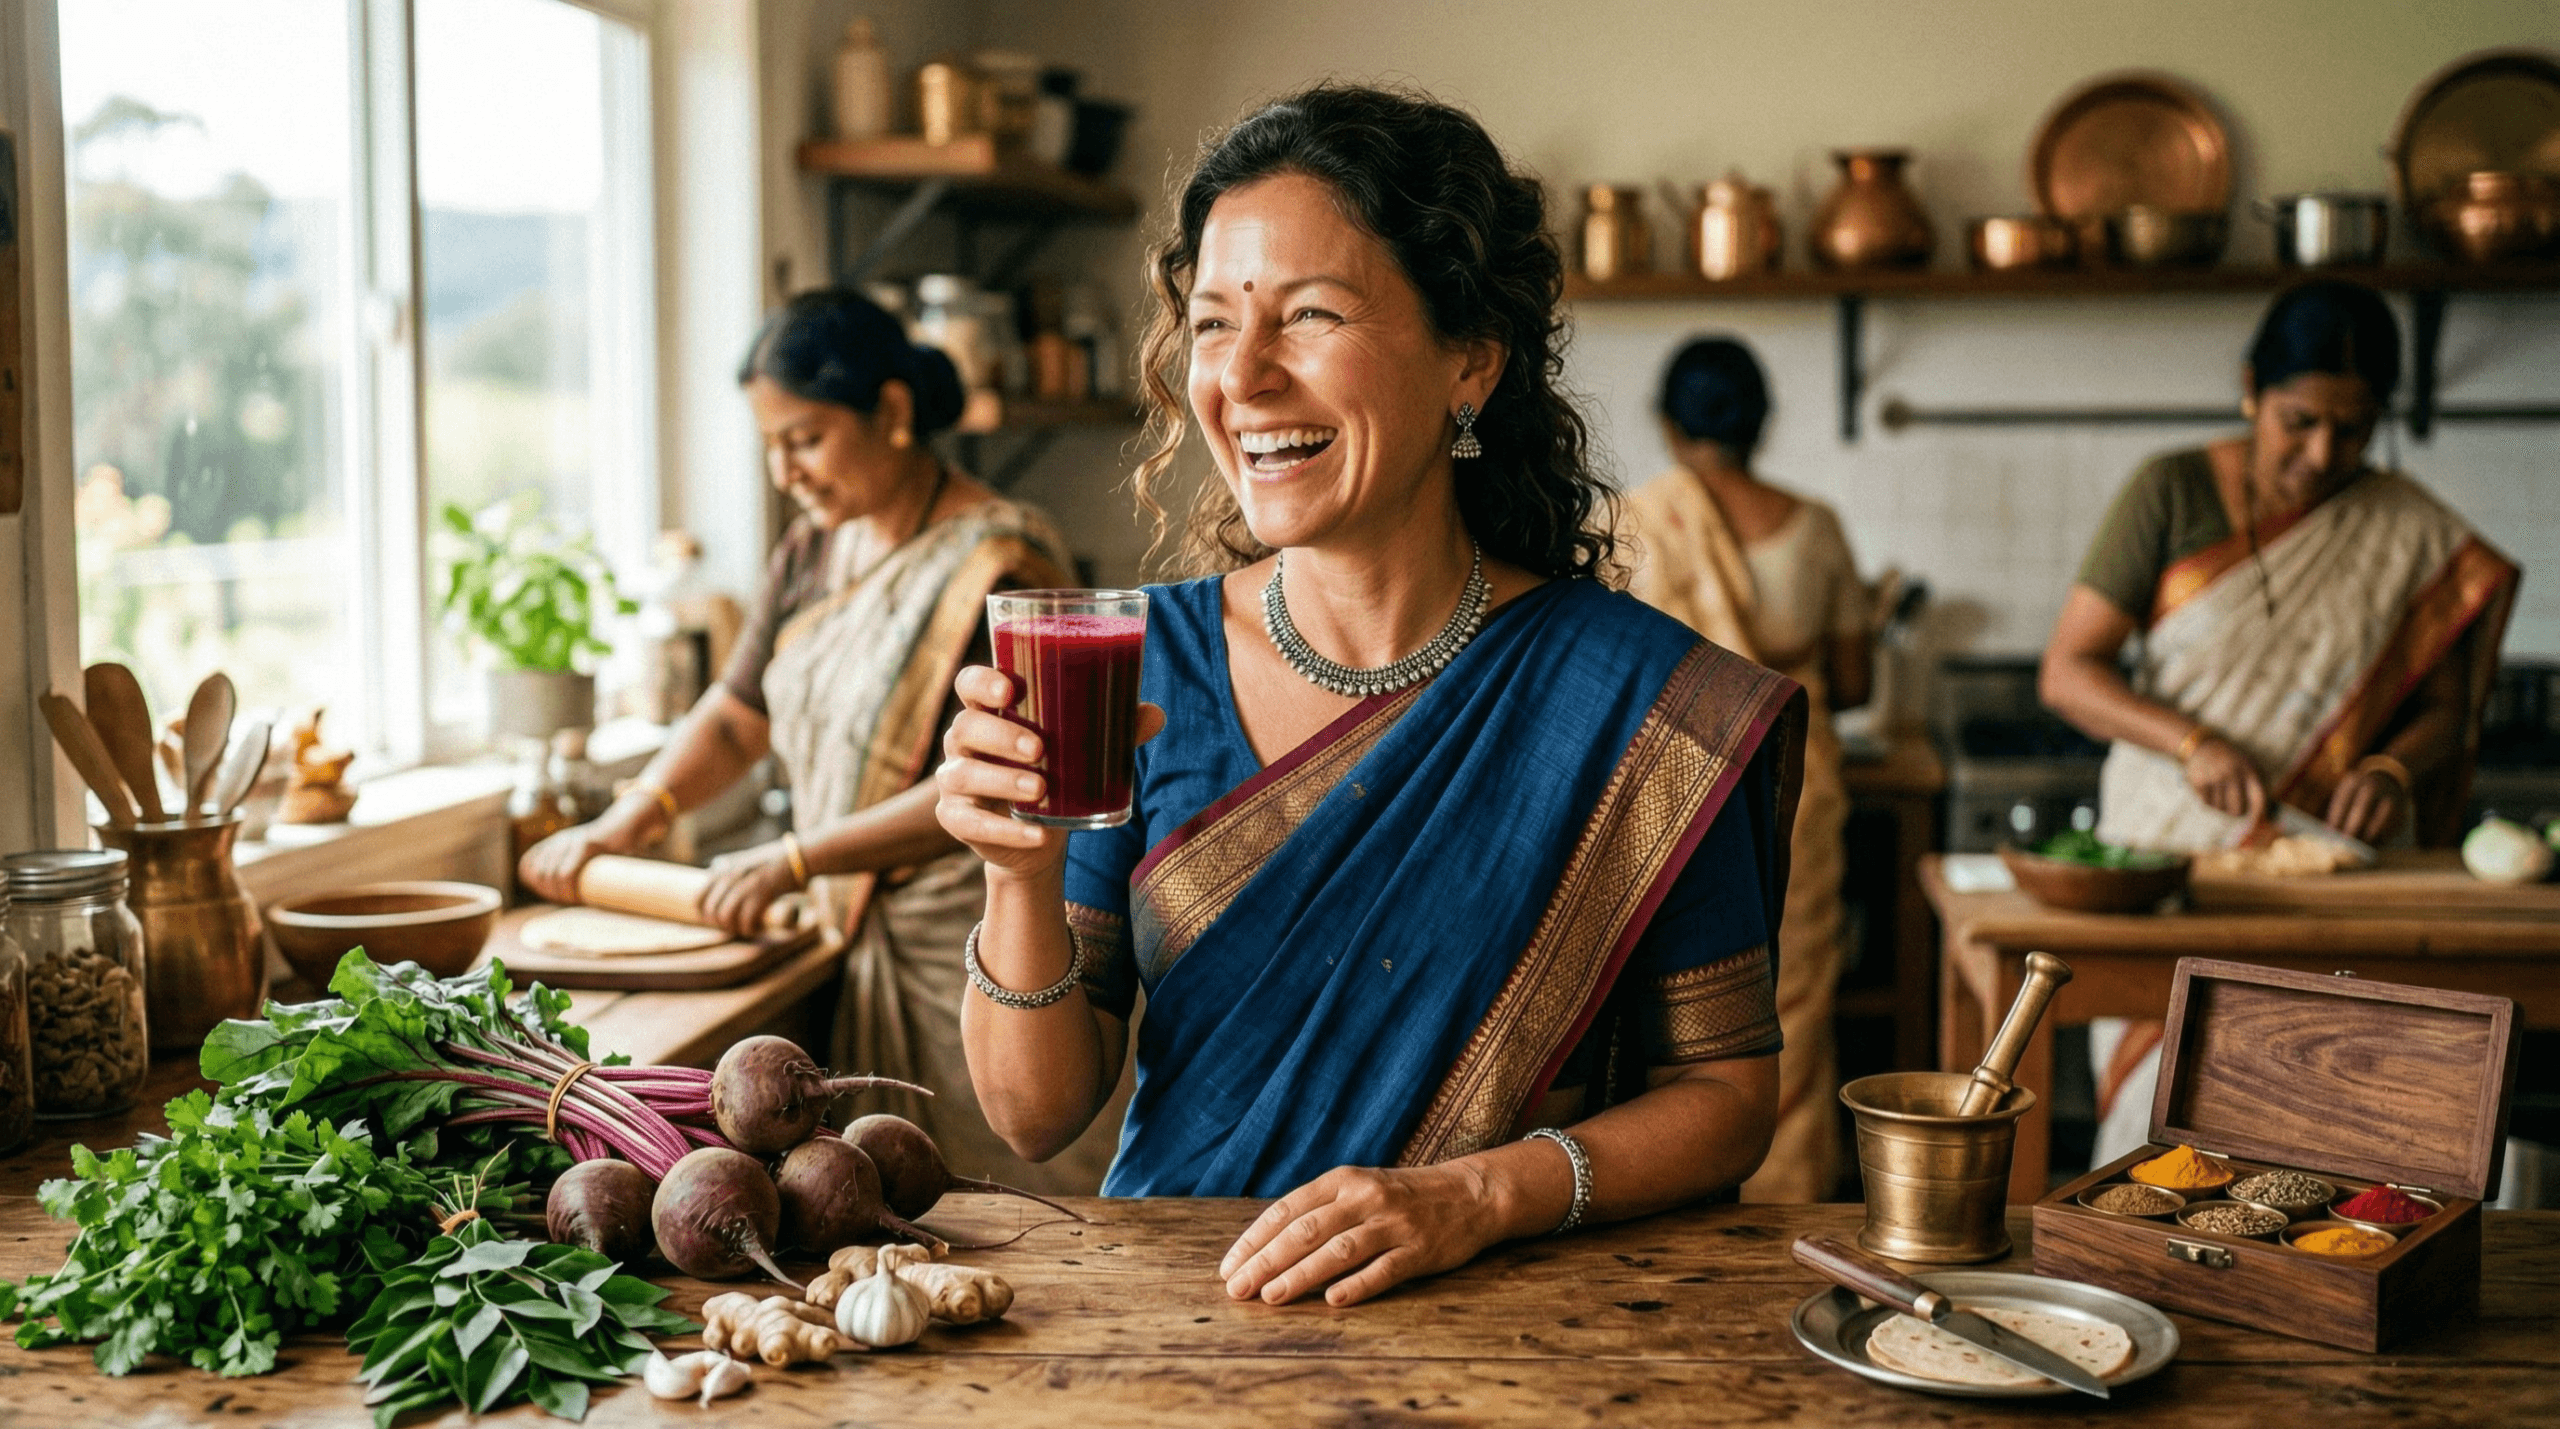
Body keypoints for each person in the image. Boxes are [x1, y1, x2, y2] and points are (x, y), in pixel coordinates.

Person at [932, 85, 1805, 1308]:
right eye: (1214, 323)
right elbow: (1036, 1115)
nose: (1244, 377)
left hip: (1509, 1334)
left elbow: (1724, 1098)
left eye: (1311, 316)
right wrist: (1014, 873)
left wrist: (1477, 1196)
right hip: (1180, 1321)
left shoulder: (1638, 704)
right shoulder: (1135, 664)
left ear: (1468, 363)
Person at [520, 289, 1119, 1196]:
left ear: (892, 411)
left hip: (968, 937)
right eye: (769, 444)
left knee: (1009, 1197)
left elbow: (993, 782)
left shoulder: (994, 564)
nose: (783, 470)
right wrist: (628, 820)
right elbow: (735, 714)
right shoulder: (809, 550)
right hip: (845, 922)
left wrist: (797, 858)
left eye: (803, 438)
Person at [2039, 279, 2519, 1162]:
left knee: (2328, 1130)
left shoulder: (2406, 531)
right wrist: (2192, 741)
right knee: (2162, 1128)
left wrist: (2391, 771)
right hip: (2175, 850)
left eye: (2354, 427)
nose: (2323, 451)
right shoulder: (2172, 490)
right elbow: (2070, 672)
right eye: (2298, 419)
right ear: (2251, 389)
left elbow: (2448, 711)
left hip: (2333, 877)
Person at [1621, 337, 1870, 1203]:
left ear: (1665, 421)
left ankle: (1665, 1184)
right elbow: (1857, 682)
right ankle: (1791, 1200)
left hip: (1663, 795)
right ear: (1763, 422)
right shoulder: (1818, 528)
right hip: (1792, 790)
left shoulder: (1632, 523)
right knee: (1789, 1008)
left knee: (1663, 1014)